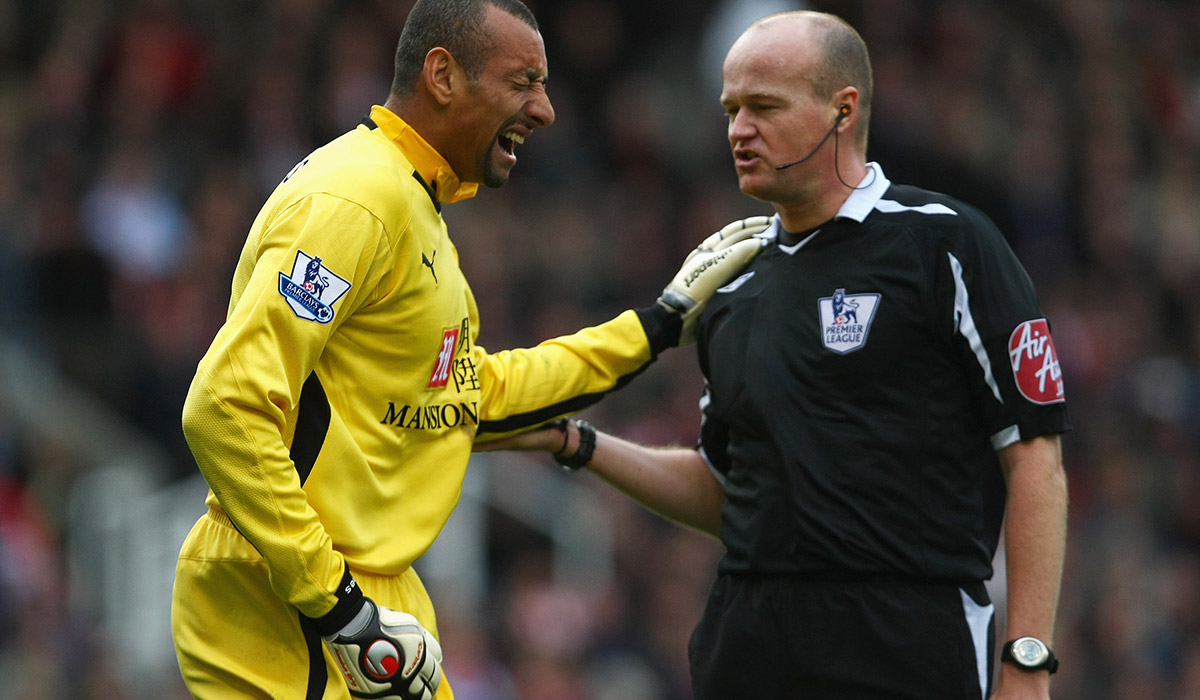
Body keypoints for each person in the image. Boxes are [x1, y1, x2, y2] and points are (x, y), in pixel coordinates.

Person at [170, 1, 765, 698]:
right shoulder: (356, 199)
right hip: (296, 611)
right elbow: (225, 406)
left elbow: (465, 400)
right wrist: (339, 608)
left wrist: (656, 326)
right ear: (443, 75)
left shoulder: (412, 206)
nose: (544, 109)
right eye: (523, 82)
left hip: (348, 603)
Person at [476, 10, 1071, 700]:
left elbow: (1034, 458)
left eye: (763, 107)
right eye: (730, 109)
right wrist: (575, 441)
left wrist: (1027, 660)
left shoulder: (944, 245)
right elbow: (731, 494)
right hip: (749, 645)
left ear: (841, 111)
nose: (738, 130)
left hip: (906, 642)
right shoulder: (732, 286)